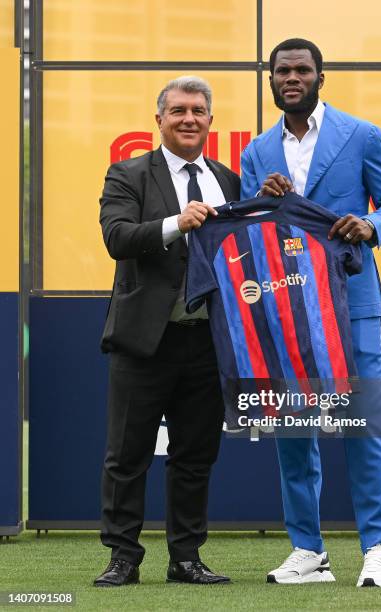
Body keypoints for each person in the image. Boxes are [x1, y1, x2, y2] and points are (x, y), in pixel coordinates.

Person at [241, 39, 381, 587]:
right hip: (286, 304)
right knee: (294, 428)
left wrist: (371, 226)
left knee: (366, 427)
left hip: (353, 303)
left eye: (302, 70)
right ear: (270, 81)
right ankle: (308, 552)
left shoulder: (360, 135)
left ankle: (378, 550)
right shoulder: (256, 153)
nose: (292, 77)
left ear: (320, 76)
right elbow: (249, 232)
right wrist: (261, 202)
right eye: (282, 71)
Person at [94, 76, 240, 587]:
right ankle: (123, 558)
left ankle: (186, 559)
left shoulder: (227, 178)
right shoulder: (128, 173)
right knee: (126, 457)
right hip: (144, 342)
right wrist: (177, 222)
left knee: (195, 457)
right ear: (158, 120)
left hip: (207, 342)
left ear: (209, 121)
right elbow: (117, 238)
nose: (188, 119)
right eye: (177, 110)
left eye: (198, 110)